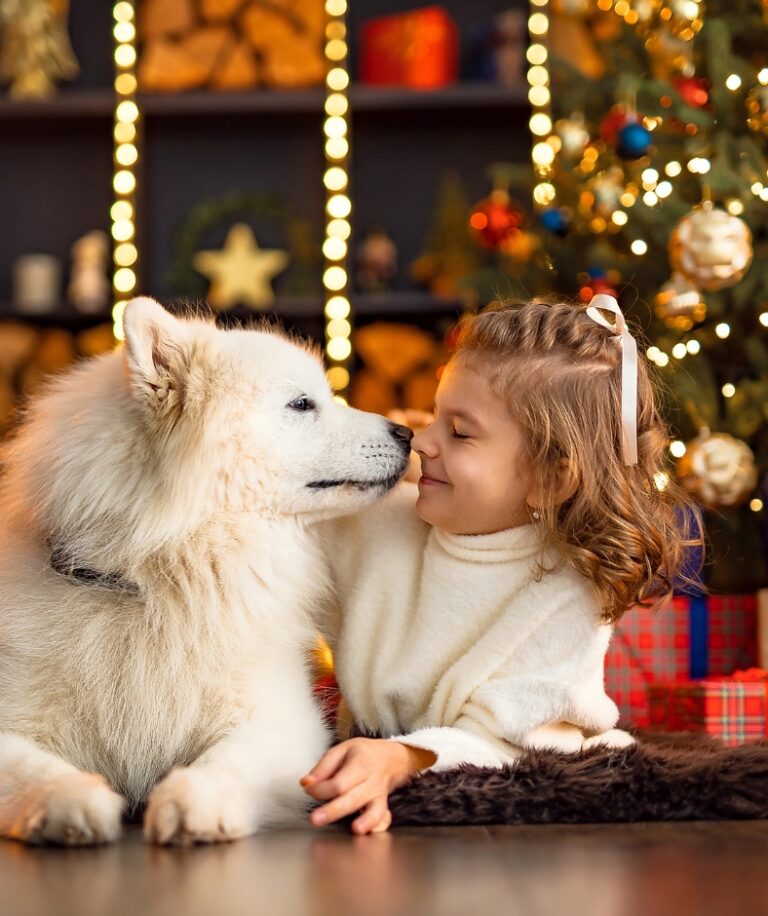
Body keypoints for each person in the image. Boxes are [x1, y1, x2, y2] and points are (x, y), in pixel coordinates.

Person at [302, 295, 700, 835]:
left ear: (551, 479)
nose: (421, 441)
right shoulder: (380, 520)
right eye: (435, 415)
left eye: (460, 432)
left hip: (508, 789)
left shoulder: (566, 590)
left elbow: (504, 741)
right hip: (376, 744)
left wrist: (399, 760)